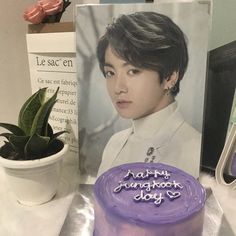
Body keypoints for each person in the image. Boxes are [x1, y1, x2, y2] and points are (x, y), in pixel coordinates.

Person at [96, 11, 201, 178]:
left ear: (169, 77)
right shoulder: (115, 143)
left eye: (133, 71)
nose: (118, 87)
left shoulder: (194, 149)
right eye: (110, 73)